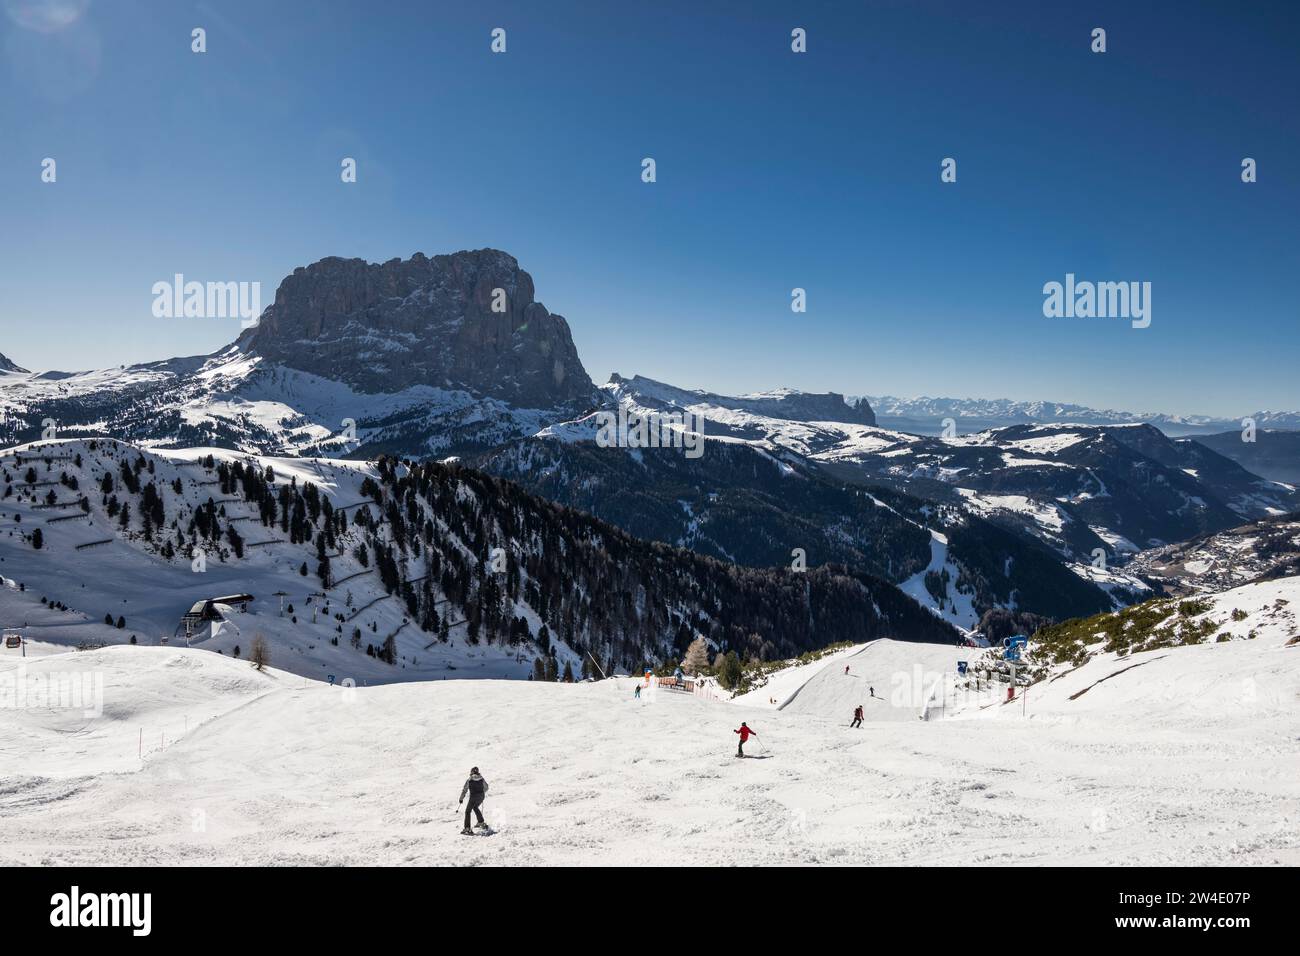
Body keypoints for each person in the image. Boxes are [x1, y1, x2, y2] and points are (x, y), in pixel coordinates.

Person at [458, 766, 490, 834]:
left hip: (473, 797)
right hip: (481, 796)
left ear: (471, 772)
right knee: (475, 807)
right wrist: (481, 791)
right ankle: (481, 822)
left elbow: (464, 790)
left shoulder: (469, 779)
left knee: (467, 812)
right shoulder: (481, 778)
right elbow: (486, 787)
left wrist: (461, 799)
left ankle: (467, 828)